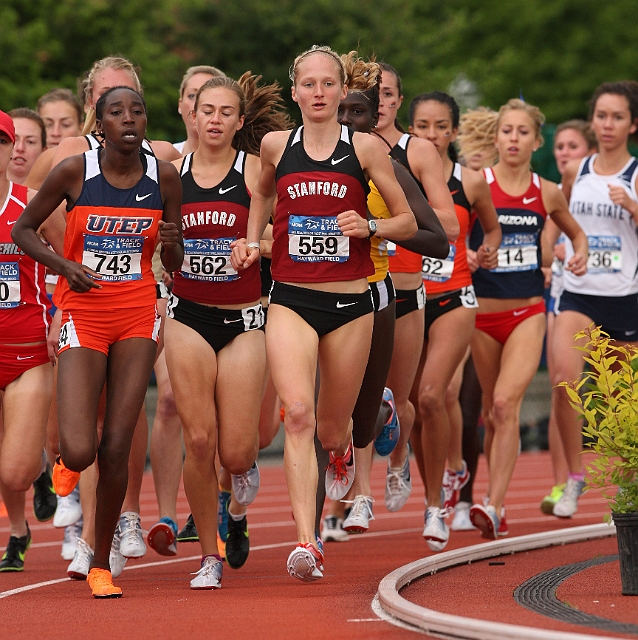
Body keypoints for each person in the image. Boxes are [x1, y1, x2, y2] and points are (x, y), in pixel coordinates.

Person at [232, 45, 416, 581]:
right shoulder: (274, 146)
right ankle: (307, 542)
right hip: (291, 298)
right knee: (299, 415)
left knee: (333, 431)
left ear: (342, 91)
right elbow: (261, 196)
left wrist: (371, 227)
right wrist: (250, 239)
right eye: (307, 84)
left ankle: (345, 450)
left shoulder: (365, 149)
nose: (317, 92)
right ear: (295, 92)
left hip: (352, 302)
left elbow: (407, 221)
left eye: (327, 84)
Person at [12, 86, 183, 597]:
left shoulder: (164, 178)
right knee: (81, 447)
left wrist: (172, 249)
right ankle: (65, 462)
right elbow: (23, 230)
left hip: (136, 313)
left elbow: (173, 262)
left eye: (137, 111)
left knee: (116, 444)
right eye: (116, 112)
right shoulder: (74, 172)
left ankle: (101, 562)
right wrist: (65, 267)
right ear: (99, 123)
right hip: (84, 311)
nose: (128, 119)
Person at [164, 73, 290, 589]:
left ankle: (235, 510)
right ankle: (209, 555)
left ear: (240, 122)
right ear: (191, 116)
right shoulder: (169, 173)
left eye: (224, 112)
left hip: (244, 319)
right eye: (205, 110)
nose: (213, 120)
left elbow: (288, 231)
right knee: (198, 439)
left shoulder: (258, 171)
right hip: (187, 315)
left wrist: (256, 244)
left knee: (238, 451)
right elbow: (150, 236)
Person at [318, 53, 448, 542]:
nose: (348, 123)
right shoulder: (305, 160)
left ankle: (393, 437)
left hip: (387, 294)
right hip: (323, 299)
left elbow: (438, 237)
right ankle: (342, 509)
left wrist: (376, 228)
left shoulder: (390, 165)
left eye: (359, 114)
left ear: (378, 118)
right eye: (342, 113)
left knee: (381, 410)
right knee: (329, 407)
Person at [466, 98, 588, 539]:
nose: (513, 139)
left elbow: (576, 234)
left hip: (527, 313)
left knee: (504, 404)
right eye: (506, 131)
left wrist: (578, 256)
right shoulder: (477, 184)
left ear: (537, 141)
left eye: (522, 132)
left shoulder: (547, 190)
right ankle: (491, 496)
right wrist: (468, 255)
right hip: (481, 315)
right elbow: (452, 235)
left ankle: (493, 505)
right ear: (495, 137)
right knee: (490, 411)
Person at [403, 92, 501, 551]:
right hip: (411, 299)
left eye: (442, 126)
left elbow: (491, 226)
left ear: (455, 132)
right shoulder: (398, 176)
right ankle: (436, 486)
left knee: (433, 393)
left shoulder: (471, 181)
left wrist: (487, 250)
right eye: (423, 126)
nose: (433, 135)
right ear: (411, 130)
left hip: (455, 298)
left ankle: (437, 502)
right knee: (419, 409)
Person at [551, 81, 638, 518]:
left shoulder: (636, 175)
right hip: (579, 294)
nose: (607, 124)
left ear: (632, 124)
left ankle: (627, 491)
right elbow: (558, 222)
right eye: (601, 116)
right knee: (564, 377)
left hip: (626, 299)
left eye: (617, 117)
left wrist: (634, 207)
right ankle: (573, 478)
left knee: (625, 401)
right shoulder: (577, 170)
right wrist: (561, 250)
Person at [0, 110, 64, 572]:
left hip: (27, 351)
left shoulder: (33, 206)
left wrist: (63, 313)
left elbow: (75, 258)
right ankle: (18, 529)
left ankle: (35, 473)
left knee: (15, 471)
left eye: (2, 141)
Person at [539, 120, 596, 515]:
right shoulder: (554, 194)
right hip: (562, 297)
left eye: (572, 146)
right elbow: (546, 246)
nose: (563, 153)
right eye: (559, 146)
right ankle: (563, 483)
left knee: (613, 390)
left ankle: (621, 483)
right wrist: (551, 260)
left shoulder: (602, 188)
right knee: (563, 385)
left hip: (611, 296)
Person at [26, 56, 181, 191]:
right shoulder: (71, 149)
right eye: (106, 93)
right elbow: (29, 210)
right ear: (90, 101)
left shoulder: (165, 152)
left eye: (125, 90)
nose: (116, 99)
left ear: (139, 99)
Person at [173, 65, 227, 155]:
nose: (198, 104)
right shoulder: (162, 157)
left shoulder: (248, 163)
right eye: (192, 96)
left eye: (209, 96)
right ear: (180, 104)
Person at [7, 109, 46, 186]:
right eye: (14, 139)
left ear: (44, 151)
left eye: (30, 142)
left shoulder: (56, 195)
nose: (20, 148)